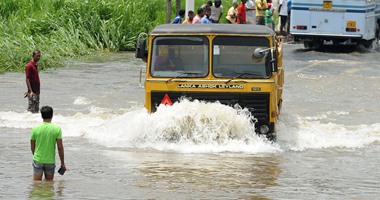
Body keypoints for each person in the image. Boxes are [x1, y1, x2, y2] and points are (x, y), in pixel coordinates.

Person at [30, 106, 66, 181]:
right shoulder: (57, 129)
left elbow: (32, 147)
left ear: (41, 115)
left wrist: (36, 156)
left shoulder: (35, 129)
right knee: (49, 184)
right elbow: (60, 147)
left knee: (37, 184)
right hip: (50, 160)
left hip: (38, 159)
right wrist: (62, 163)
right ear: (52, 115)